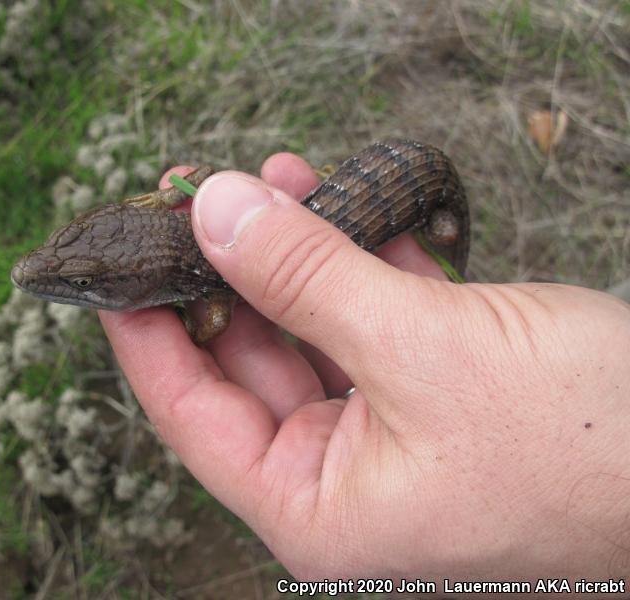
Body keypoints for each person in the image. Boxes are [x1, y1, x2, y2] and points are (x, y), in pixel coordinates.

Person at [98, 151, 630, 593]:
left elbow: (213, 318)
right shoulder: (192, 213)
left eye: (88, 285)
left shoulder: (209, 288)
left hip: (426, 191)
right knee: (336, 199)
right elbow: (196, 180)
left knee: (438, 234)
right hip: (394, 165)